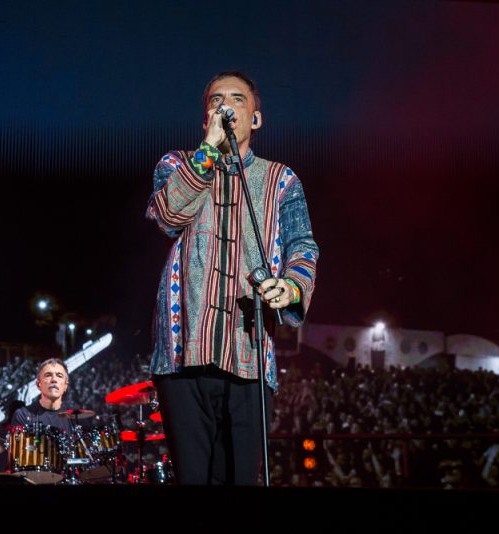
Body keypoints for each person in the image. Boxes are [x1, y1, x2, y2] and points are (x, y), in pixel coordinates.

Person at [146, 71, 319, 485]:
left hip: (249, 358)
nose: (225, 106)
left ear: (255, 118)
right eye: (215, 100)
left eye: (237, 99)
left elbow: (303, 247)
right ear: (205, 115)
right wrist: (208, 148)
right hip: (182, 357)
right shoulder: (175, 164)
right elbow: (169, 216)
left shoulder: (282, 180)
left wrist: (291, 285)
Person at [10, 358, 74, 433]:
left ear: (65, 386)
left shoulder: (74, 417)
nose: (54, 380)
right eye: (48, 375)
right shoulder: (22, 415)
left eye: (59, 376)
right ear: (38, 384)